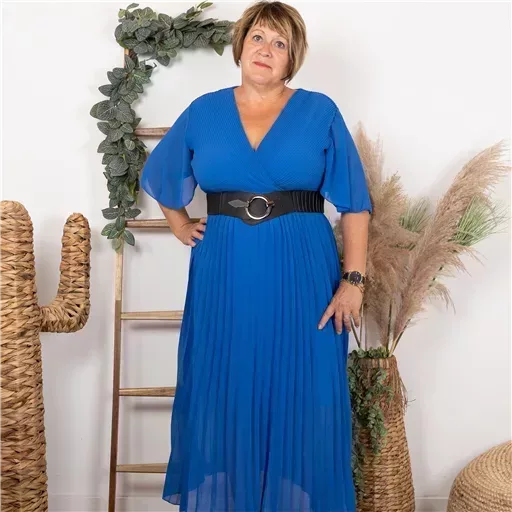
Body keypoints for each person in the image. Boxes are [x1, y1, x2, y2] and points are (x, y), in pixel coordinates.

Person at [140, 1, 372, 510]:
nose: (265, 50)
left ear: (292, 58)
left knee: (305, 392)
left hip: (304, 272)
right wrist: (179, 223)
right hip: (224, 270)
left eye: (279, 43)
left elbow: (355, 202)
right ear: (240, 45)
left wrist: (353, 280)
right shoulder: (204, 112)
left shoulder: (319, 112)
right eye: (258, 38)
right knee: (225, 387)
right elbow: (160, 173)